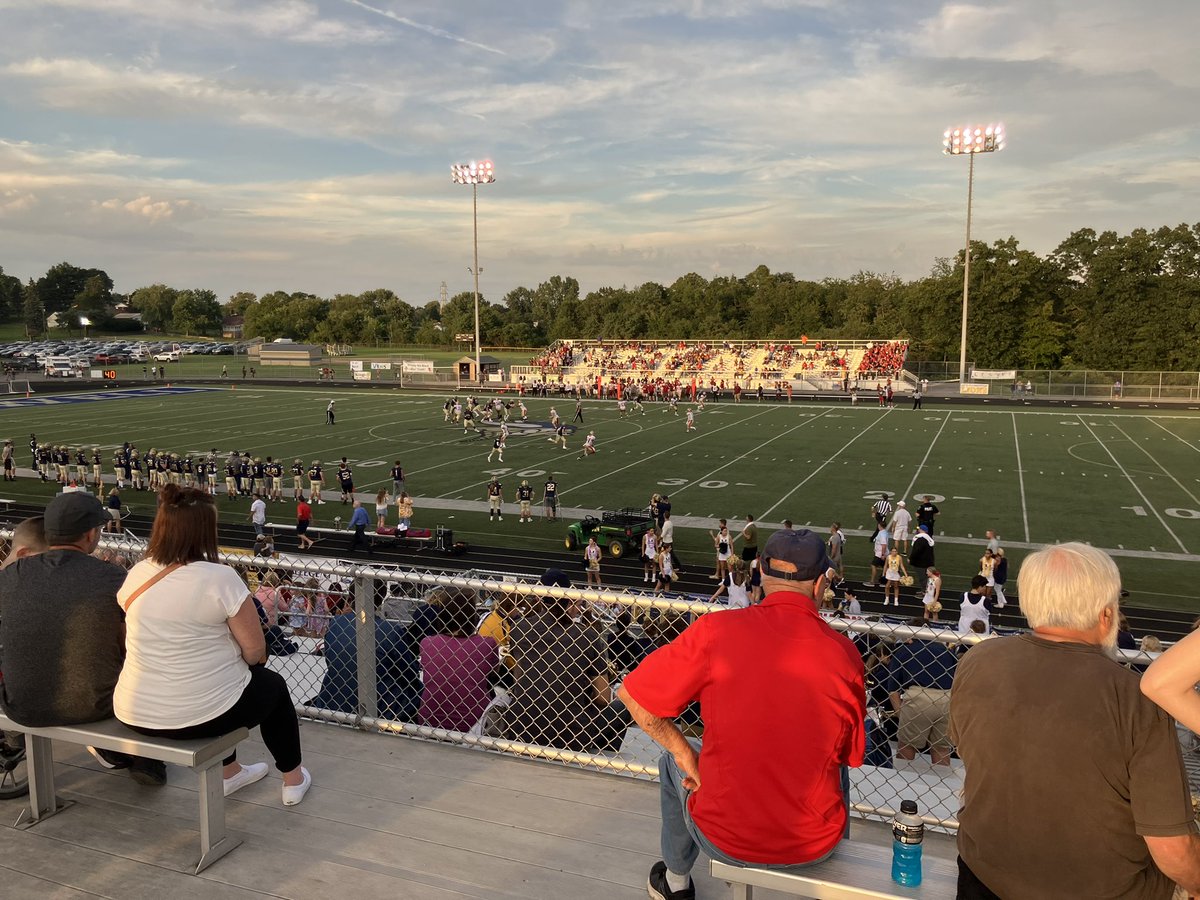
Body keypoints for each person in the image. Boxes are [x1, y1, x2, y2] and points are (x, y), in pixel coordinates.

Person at [618, 529, 864, 899]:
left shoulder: (717, 632)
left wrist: (688, 756)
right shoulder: (844, 655)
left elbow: (633, 695)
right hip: (813, 845)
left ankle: (676, 882)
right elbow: (851, 754)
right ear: (818, 586)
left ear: (762, 576)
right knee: (835, 763)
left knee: (673, 761)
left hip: (724, 837)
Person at [950, 542, 1200, 898]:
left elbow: (969, 754)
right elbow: (1173, 849)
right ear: (1105, 615)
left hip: (983, 879)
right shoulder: (1134, 699)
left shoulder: (979, 660)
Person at [113, 486, 310, 801]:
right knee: (271, 685)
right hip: (196, 715)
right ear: (205, 530)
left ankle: (231, 773)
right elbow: (256, 652)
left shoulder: (138, 572)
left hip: (133, 709)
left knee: (222, 683)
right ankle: (293, 779)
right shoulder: (220, 577)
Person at [0, 497, 168, 782]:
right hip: (94, 706)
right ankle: (144, 759)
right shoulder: (112, 576)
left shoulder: (12, 574)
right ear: (91, 534)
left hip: (20, 704)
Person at [492, 573, 631, 753]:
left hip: (523, 728)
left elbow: (520, 681)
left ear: (539, 597)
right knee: (625, 705)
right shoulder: (588, 636)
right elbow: (602, 697)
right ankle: (599, 755)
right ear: (568, 599)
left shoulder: (520, 629)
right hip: (571, 734)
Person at [308, 591, 421, 723]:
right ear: (380, 599)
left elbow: (330, 660)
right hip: (380, 706)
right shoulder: (391, 631)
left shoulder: (337, 623)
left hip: (335, 700)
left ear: (351, 598)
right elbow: (410, 671)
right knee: (415, 687)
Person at [418, 587, 498, 732]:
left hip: (429, 720)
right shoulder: (488, 644)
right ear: (473, 615)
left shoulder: (427, 643)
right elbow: (493, 672)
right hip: (475, 723)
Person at [885, 621, 957, 766]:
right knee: (941, 748)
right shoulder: (945, 651)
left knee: (907, 745)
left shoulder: (905, 650)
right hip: (947, 697)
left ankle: (903, 776)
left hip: (919, 697)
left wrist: (901, 714)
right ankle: (940, 782)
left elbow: (893, 689)